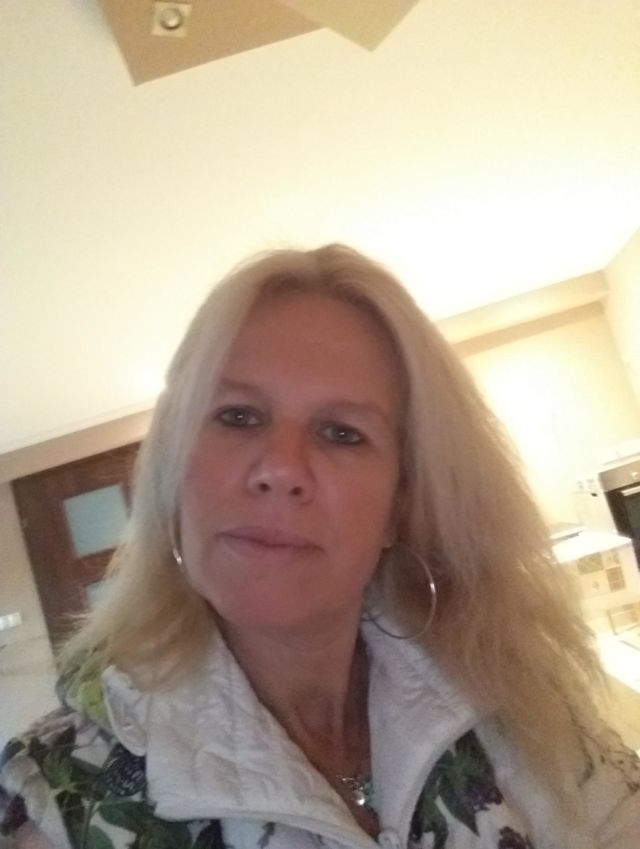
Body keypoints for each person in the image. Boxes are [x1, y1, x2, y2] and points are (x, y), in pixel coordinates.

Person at [1, 244, 639, 849]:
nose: (280, 468)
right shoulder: (56, 800)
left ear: (398, 507)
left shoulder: (520, 697)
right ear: (174, 475)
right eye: (238, 416)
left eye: (342, 433)